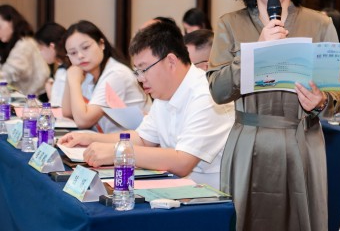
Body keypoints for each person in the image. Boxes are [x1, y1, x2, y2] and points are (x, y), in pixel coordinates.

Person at [207, 0, 340, 231]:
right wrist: (255, 52)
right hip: (249, 142)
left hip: (303, 142)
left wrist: (322, 101)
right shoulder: (229, 25)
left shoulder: (320, 24)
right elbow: (218, 91)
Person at [59, 21, 234, 186]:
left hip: (211, 195)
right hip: (177, 187)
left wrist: (118, 151)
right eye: (137, 71)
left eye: (144, 69)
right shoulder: (165, 92)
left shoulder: (206, 94)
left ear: (171, 61)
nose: (141, 79)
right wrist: (90, 138)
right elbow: (143, 139)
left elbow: (182, 162)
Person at [62, 20, 148, 133]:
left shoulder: (116, 73)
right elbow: (67, 112)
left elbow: (83, 121)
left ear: (101, 44)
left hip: (133, 142)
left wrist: (74, 82)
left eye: (86, 47)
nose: (80, 56)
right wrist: (70, 77)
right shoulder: (88, 75)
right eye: (73, 53)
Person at [0, 5, 49, 94]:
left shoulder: (25, 44)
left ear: (11, 22)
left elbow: (8, 73)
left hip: (38, 97)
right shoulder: (9, 44)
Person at [34, 22, 69, 105]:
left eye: (40, 49)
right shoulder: (65, 66)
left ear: (51, 46)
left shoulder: (63, 72)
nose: (39, 53)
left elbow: (57, 105)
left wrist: (48, 87)